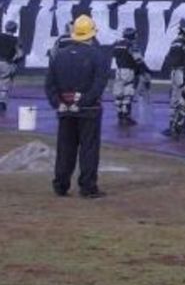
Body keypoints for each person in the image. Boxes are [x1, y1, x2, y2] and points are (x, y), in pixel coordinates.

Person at [45, 15, 111, 198]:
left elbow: (50, 84)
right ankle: (88, 187)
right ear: (91, 34)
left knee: (65, 148)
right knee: (88, 148)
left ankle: (60, 185)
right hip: (89, 110)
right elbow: (99, 84)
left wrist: (58, 103)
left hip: (64, 109)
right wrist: (82, 102)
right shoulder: (98, 56)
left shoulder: (60, 55)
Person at [111, 27, 147, 126]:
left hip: (118, 71)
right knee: (128, 93)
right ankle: (126, 116)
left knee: (118, 94)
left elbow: (113, 54)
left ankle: (119, 114)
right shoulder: (131, 45)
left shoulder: (117, 44)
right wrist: (144, 71)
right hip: (128, 71)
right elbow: (138, 60)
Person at [0, 20, 25, 113]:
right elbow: (20, 54)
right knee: (4, 83)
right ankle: (1, 103)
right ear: (15, 29)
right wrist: (14, 61)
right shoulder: (16, 40)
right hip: (6, 63)